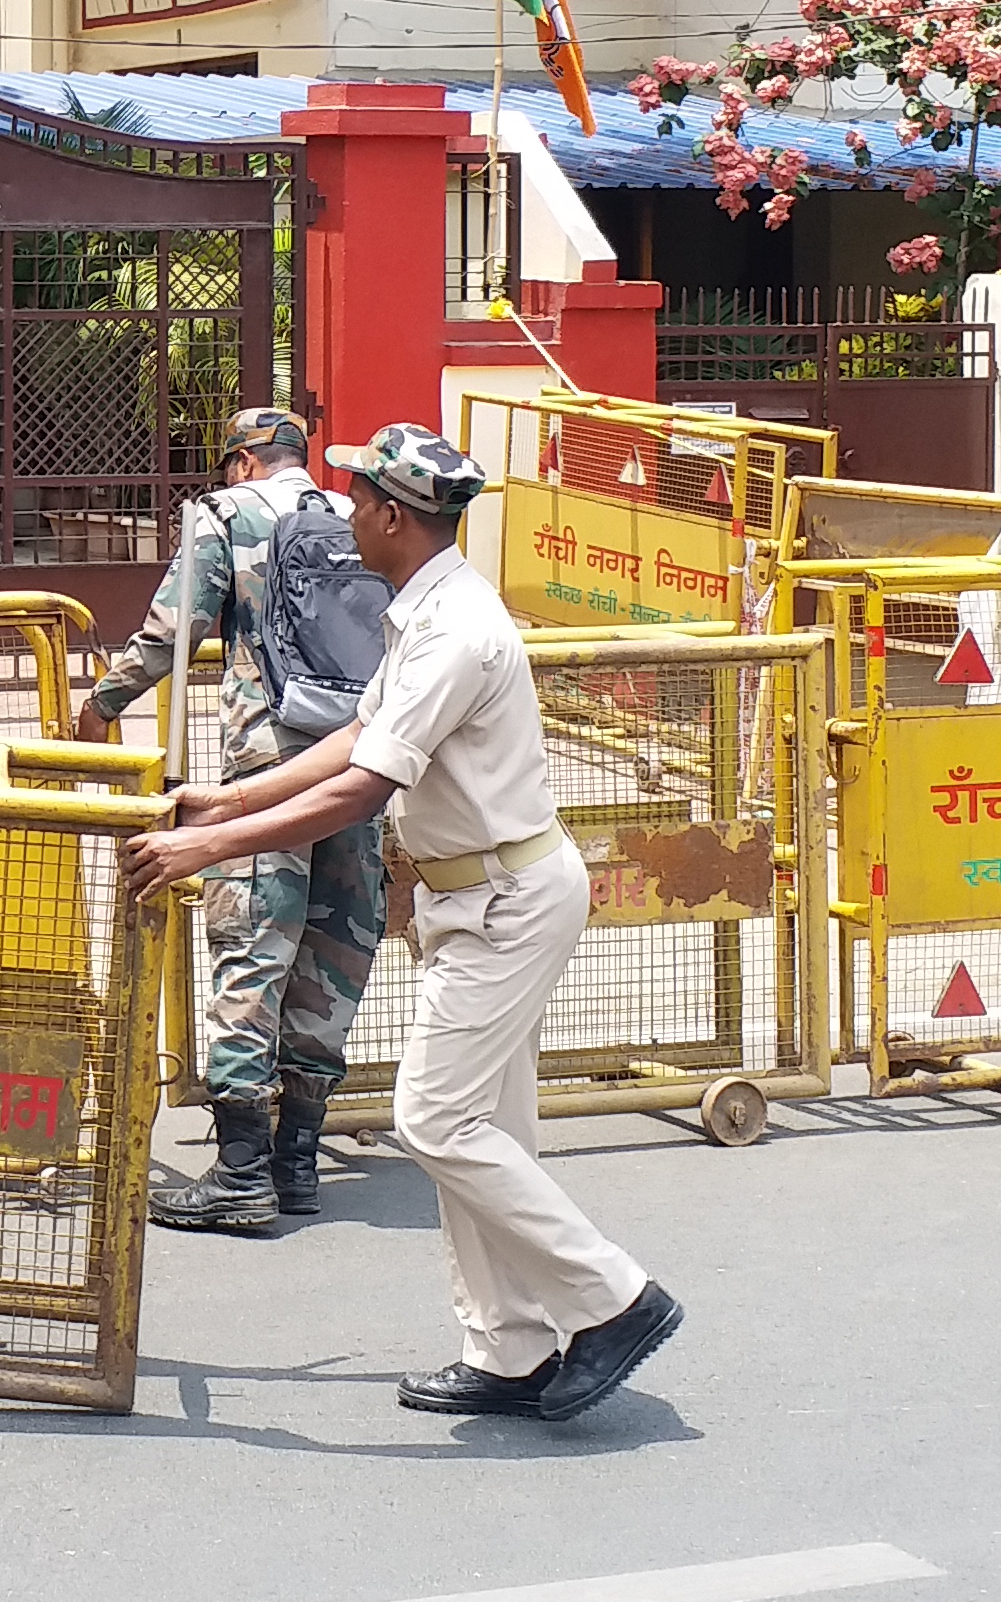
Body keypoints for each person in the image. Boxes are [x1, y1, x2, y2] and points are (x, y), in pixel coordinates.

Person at [130, 426, 679, 1425]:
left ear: (391, 515)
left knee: (435, 1118)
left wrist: (209, 847)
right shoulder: (421, 610)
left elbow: (367, 786)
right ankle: (508, 1348)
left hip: (506, 900)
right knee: (490, 1129)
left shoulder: (456, 627)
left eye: (357, 501)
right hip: (479, 897)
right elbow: (353, 736)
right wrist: (225, 801)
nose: (342, 517)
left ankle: (615, 1298)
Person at [84, 404, 384, 1236]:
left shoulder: (223, 516)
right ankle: (297, 1166)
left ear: (243, 461)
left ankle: (241, 1173)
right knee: (333, 952)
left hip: (266, 764)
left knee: (253, 948)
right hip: (359, 760)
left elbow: (166, 633)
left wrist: (101, 703)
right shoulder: (350, 516)